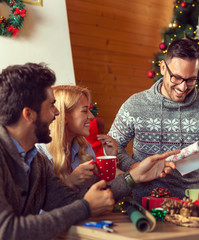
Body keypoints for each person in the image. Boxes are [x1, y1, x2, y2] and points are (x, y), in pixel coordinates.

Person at [0, 63, 179, 239]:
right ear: (28, 115)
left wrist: (134, 177)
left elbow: (70, 203)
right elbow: (7, 231)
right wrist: (85, 207)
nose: (56, 112)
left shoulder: (36, 161)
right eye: (50, 106)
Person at [108, 39, 199, 202]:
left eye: (190, 80)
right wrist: (134, 167)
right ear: (162, 68)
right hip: (145, 203)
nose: (182, 87)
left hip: (192, 205)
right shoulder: (135, 104)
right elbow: (111, 147)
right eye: (176, 78)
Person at [36, 85, 117, 194]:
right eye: (85, 111)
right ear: (63, 115)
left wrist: (109, 157)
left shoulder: (84, 147)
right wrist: (69, 182)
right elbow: (38, 206)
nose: (92, 116)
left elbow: (101, 190)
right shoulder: (40, 153)